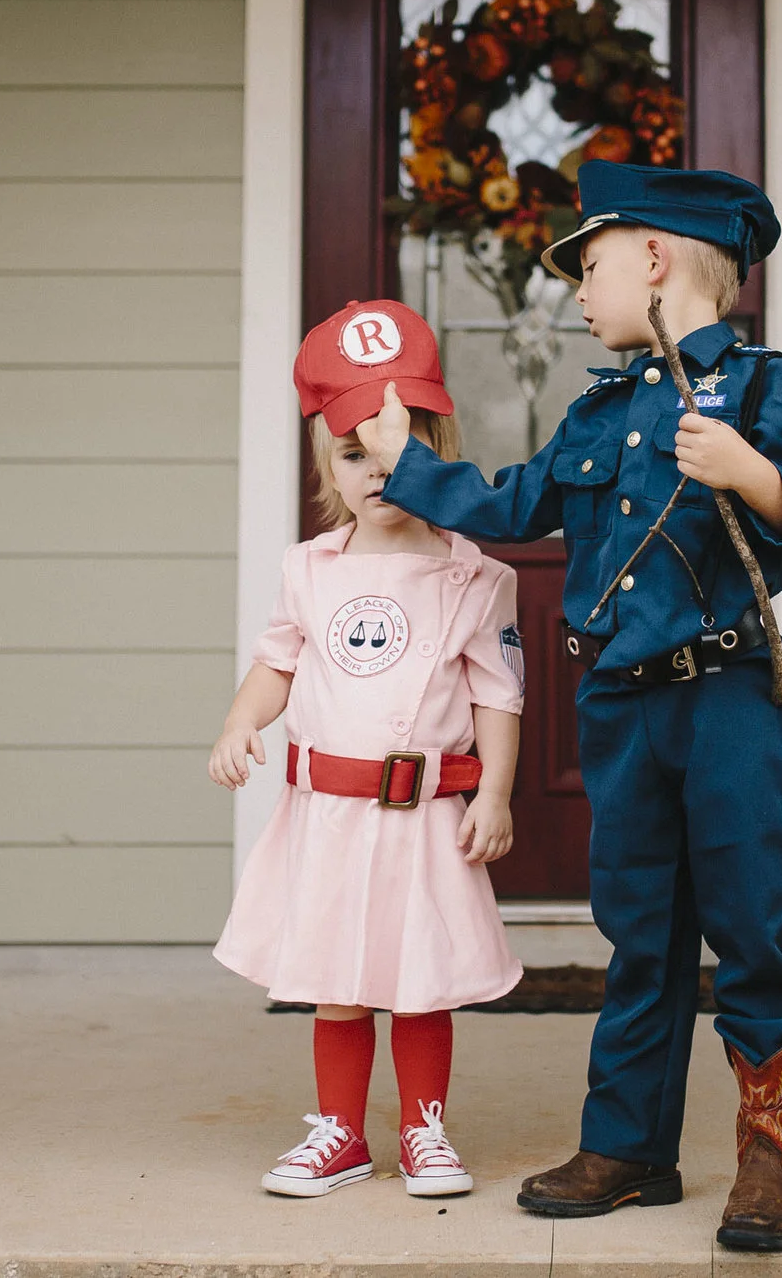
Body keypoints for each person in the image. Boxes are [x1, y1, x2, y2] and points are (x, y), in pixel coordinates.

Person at [363, 162, 782, 1253]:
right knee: (641, 931)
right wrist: (403, 465)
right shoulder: (598, 408)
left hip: (735, 701)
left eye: (590, 266)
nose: (577, 291)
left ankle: (773, 1157)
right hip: (625, 710)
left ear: (656, 257)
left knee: (755, 928)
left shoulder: (756, 389)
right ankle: (629, 1146)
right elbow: (515, 502)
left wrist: (747, 468)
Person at [210, 298, 525, 1200]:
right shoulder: (310, 569)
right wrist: (240, 720)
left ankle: (423, 1127)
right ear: (329, 467)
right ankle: (340, 1133)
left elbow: (498, 694)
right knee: (336, 979)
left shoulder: (473, 574)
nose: (376, 468)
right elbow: (277, 663)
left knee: (421, 978)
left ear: (435, 449)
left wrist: (494, 793)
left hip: (423, 815)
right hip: (329, 817)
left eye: (394, 446)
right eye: (354, 454)